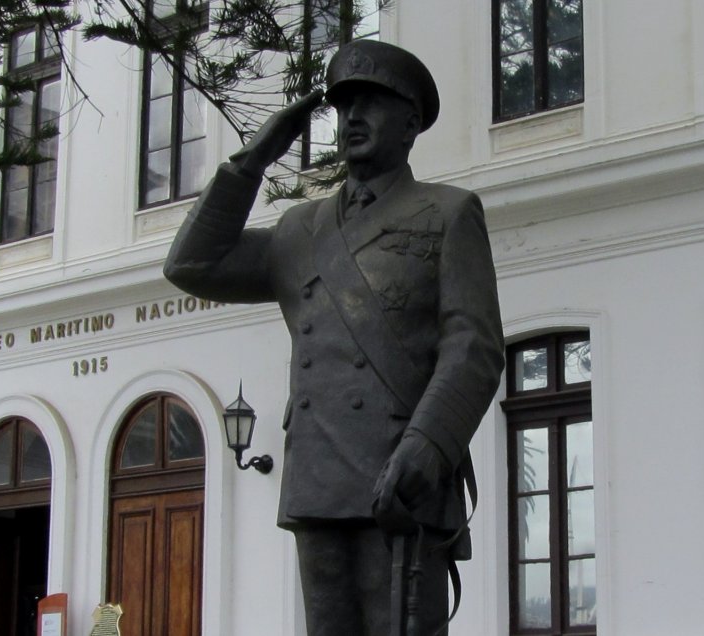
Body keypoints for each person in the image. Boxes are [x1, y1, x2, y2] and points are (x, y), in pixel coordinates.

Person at [164, 40, 504, 636]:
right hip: (318, 476)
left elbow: (472, 345)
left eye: (372, 103)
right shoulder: (301, 229)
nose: (353, 118)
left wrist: (429, 444)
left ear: (411, 122)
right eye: (345, 105)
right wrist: (253, 158)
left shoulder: (447, 213)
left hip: (399, 474)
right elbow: (191, 265)